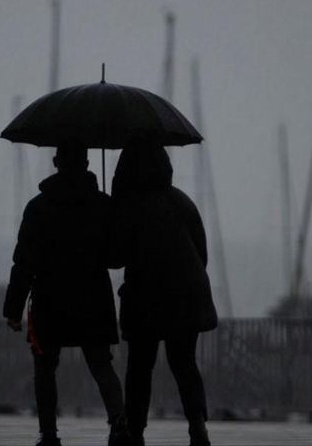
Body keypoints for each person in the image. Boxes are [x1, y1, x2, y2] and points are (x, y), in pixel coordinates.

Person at [3, 143, 128, 446]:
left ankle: (48, 434)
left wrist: (13, 307)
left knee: (45, 367)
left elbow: (24, 261)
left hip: (50, 298)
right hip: (93, 297)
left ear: (56, 161)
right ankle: (119, 425)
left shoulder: (38, 207)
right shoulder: (103, 206)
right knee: (101, 364)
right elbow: (115, 258)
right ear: (87, 163)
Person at [110, 138, 217, 446]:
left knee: (140, 367)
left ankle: (135, 430)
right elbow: (203, 256)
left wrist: (113, 208)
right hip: (188, 297)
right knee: (184, 363)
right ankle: (198, 427)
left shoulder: (130, 207)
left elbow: (115, 257)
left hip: (146, 300)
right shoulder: (182, 202)